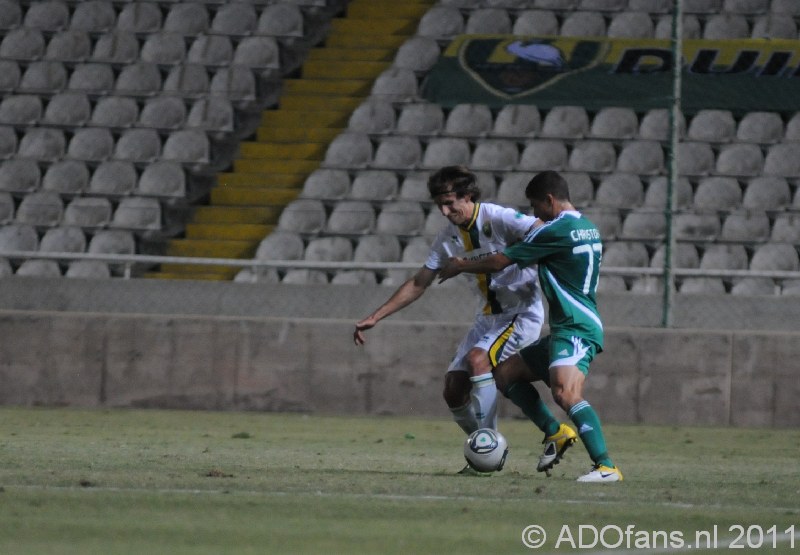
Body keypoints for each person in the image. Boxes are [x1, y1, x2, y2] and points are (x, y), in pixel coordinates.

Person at [353, 166, 560, 471]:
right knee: (453, 389)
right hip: (487, 319)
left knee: (479, 360)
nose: (445, 211)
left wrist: (479, 261)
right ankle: (485, 449)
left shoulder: (498, 217)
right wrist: (376, 316)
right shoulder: (448, 238)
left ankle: (488, 452)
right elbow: (419, 282)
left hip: (520, 313)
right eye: (440, 205)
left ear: (469, 196)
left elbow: (544, 231)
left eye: (450, 202)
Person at [439, 170, 623, 482]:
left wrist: (461, 266)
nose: (534, 214)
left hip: (576, 328)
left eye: (536, 207)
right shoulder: (586, 226)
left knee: (566, 393)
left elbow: (501, 261)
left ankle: (606, 467)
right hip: (568, 326)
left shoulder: (555, 230)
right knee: (506, 373)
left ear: (550, 201)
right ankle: (555, 432)